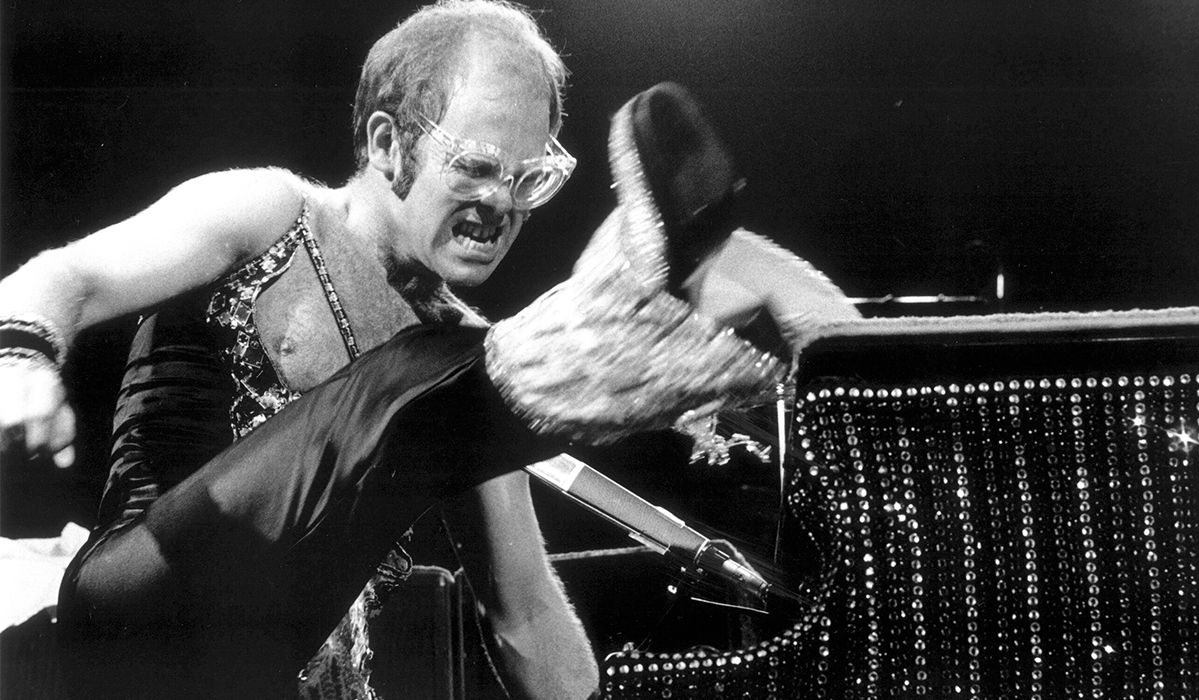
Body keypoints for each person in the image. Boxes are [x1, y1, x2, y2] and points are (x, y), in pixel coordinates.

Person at [0, 1, 857, 698]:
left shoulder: (470, 374)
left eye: (531, 180)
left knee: (451, 369)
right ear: (385, 144)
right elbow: (58, 276)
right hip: (136, 614)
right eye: (478, 168)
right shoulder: (265, 213)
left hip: (266, 679)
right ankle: (623, 304)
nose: (503, 206)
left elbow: (522, 616)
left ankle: (627, 312)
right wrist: (20, 359)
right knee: (418, 372)